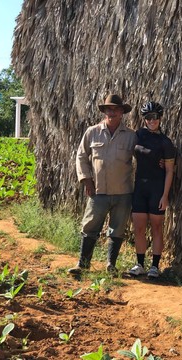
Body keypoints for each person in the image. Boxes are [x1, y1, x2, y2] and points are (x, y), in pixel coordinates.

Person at [68, 94, 137, 275]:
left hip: (123, 192)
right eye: (108, 109)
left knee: (117, 228)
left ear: (122, 112)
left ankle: (111, 265)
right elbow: (81, 157)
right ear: (104, 111)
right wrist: (86, 180)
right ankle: (83, 265)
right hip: (98, 191)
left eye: (115, 109)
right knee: (90, 226)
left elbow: (144, 156)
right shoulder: (92, 132)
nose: (112, 112)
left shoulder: (131, 136)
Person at [129, 101, 176, 279]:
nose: (151, 120)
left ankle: (155, 266)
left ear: (160, 118)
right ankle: (139, 264)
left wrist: (165, 195)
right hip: (140, 187)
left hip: (157, 188)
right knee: (139, 228)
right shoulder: (138, 135)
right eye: (148, 117)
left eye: (155, 117)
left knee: (157, 227)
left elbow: (170, 171)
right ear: (144, 119)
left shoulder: (165, 142)